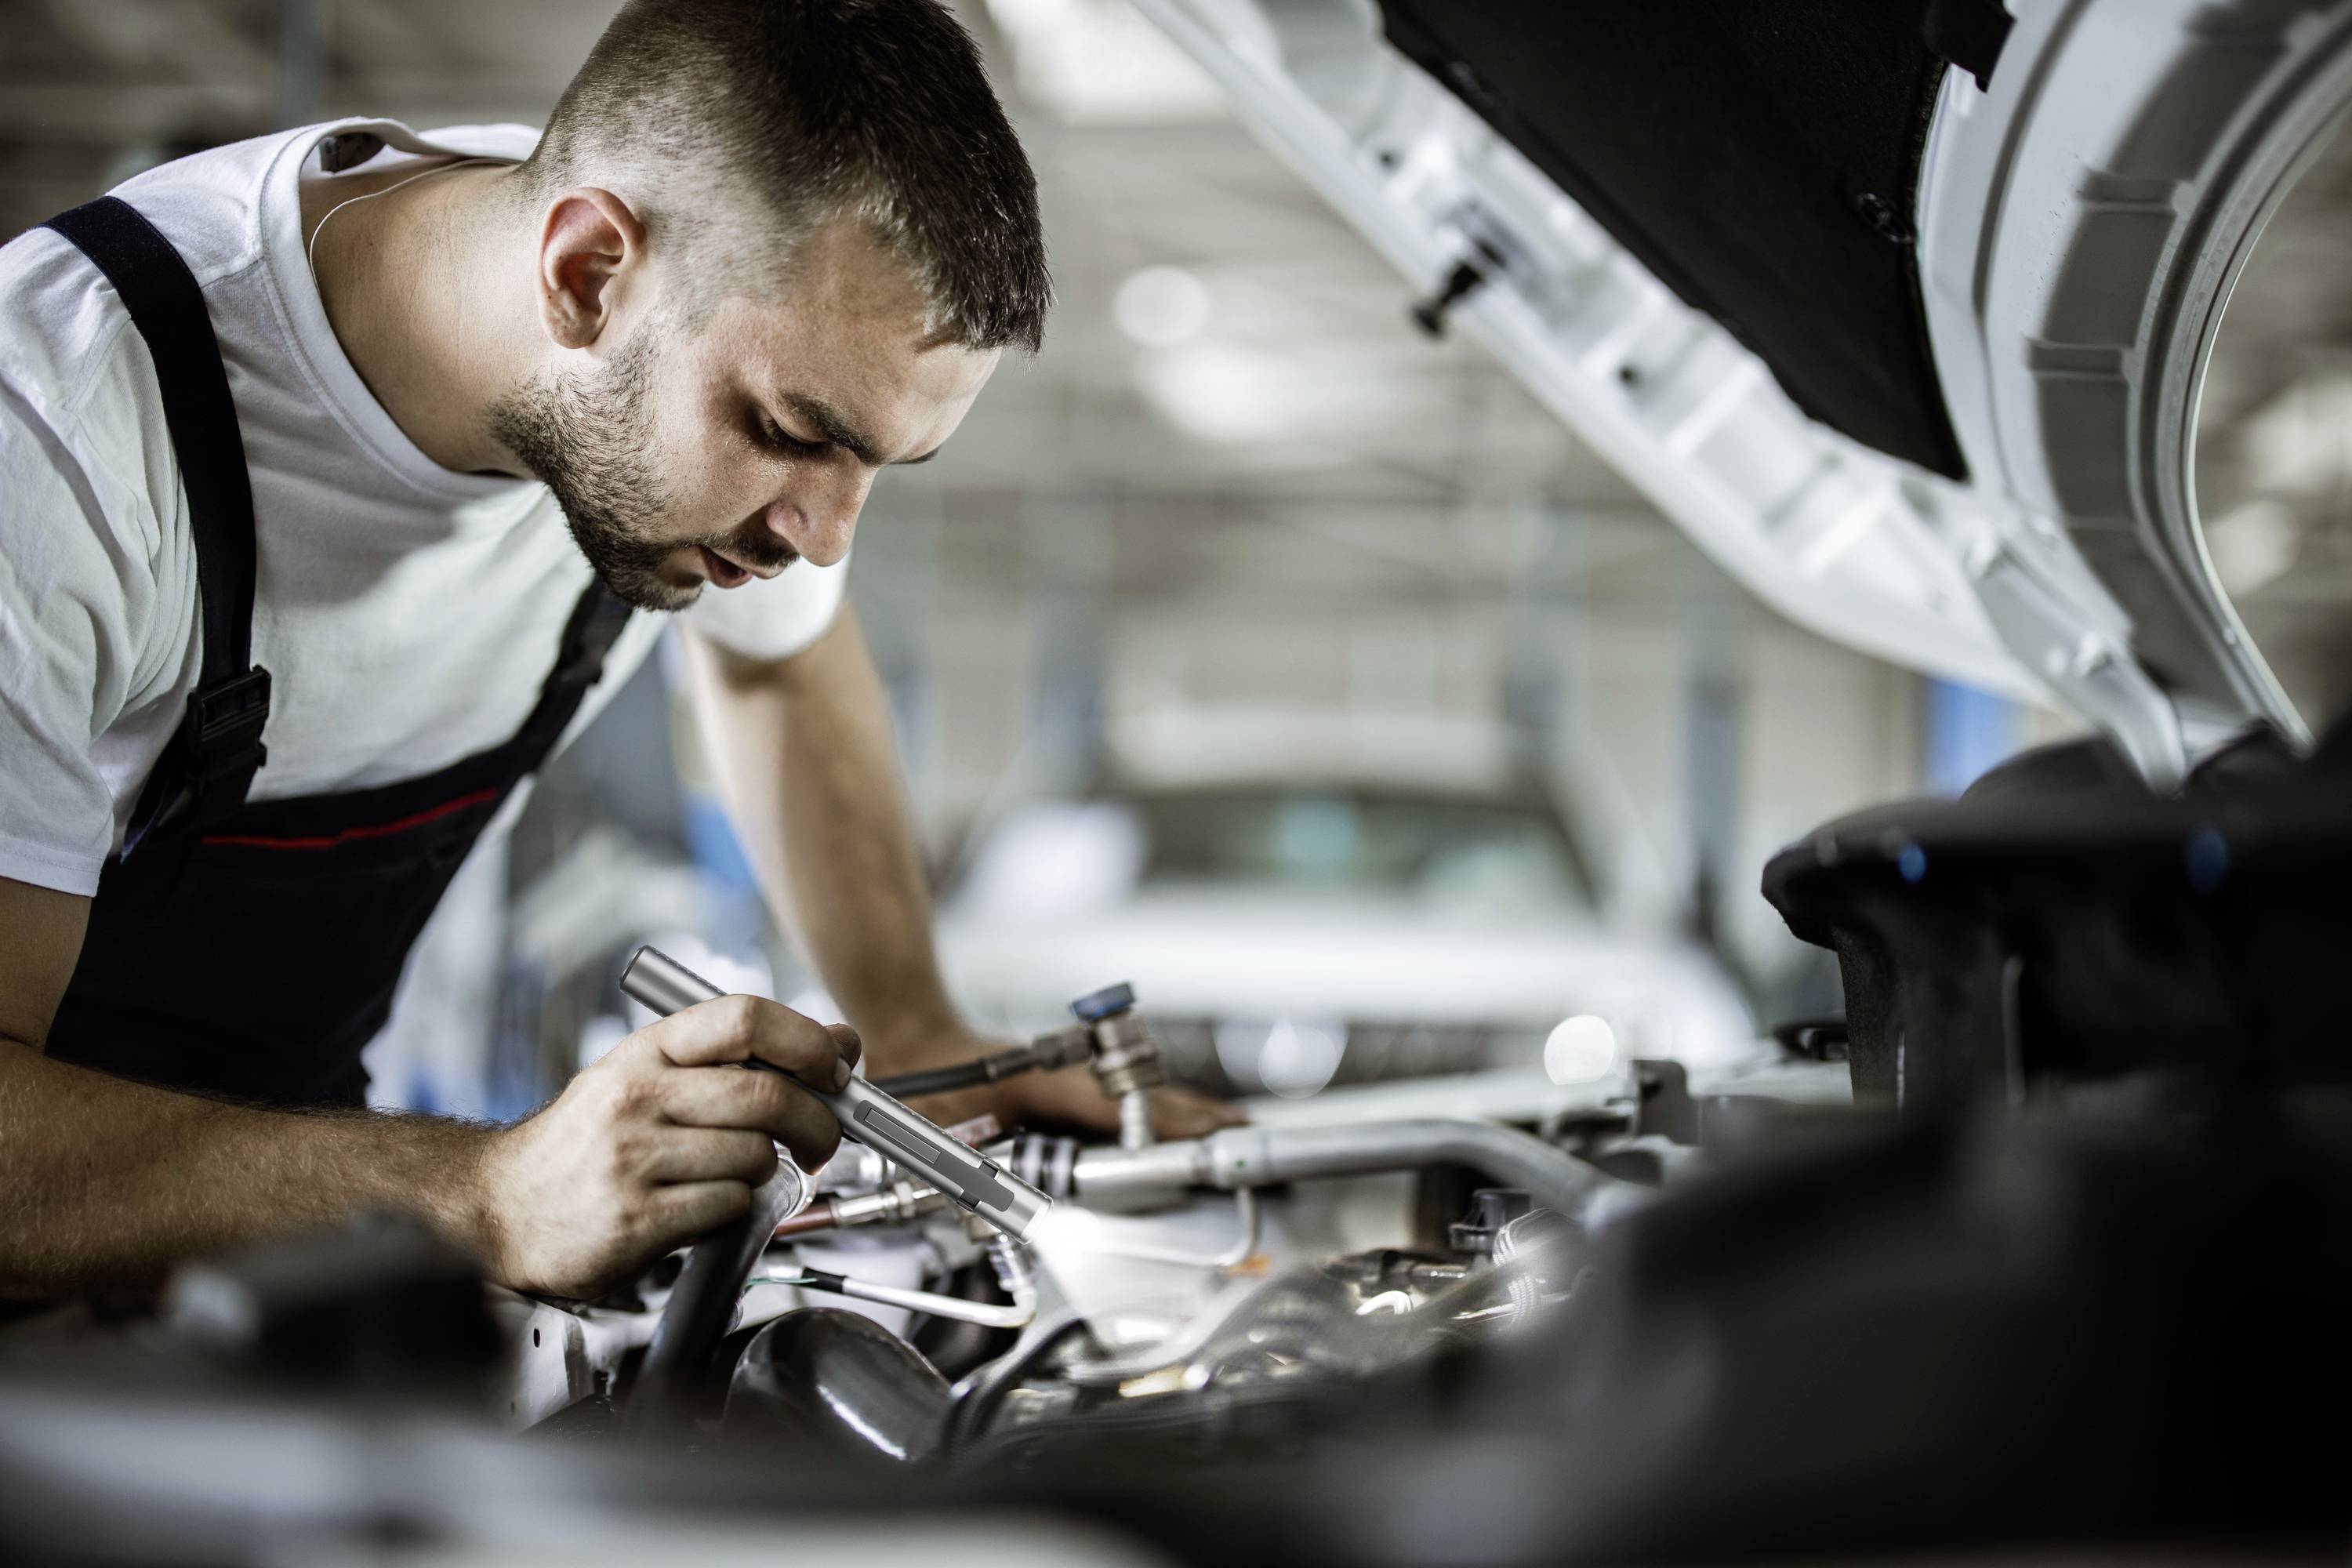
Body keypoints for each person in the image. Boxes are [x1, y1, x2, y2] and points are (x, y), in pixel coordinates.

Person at [0, 0, 1230, 1304]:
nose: (819, 537)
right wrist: (480, 1193)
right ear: (584, 274)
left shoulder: (708, 310)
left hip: (284, 1255)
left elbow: (781, 663)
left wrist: (916, 1027)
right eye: (793, 431)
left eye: (880, 463)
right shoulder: (60, 436)